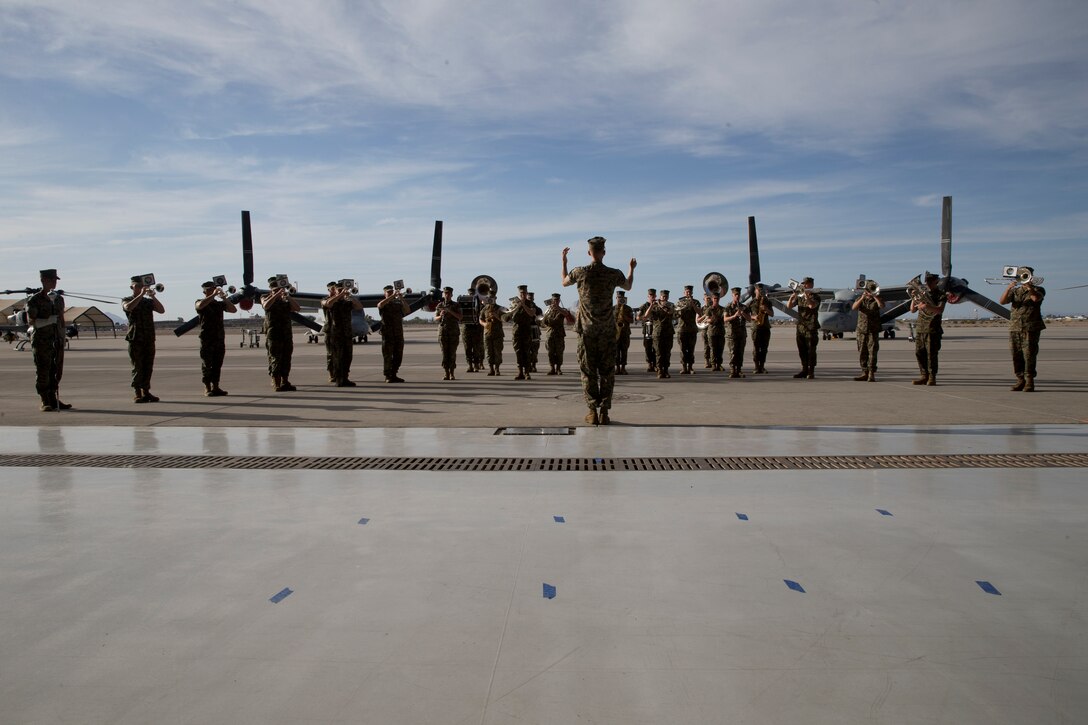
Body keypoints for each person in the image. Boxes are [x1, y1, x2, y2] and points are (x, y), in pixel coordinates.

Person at [562, 236, 636, 425]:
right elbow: (628, 286)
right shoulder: (613, 274)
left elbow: (564, 282)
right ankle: (604, 412)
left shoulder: (580, 272)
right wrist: (631, 269)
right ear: (604, 252)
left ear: (589, 253)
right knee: (607, 372)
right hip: (607, 331)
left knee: (588, 373)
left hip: (586, 331)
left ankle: (592, 411)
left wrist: (564, 262)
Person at [26, 268, 70, 411]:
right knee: (43, 370)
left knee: (56, 370)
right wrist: (48, 320)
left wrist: (63, 335)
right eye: (51, 280)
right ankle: (45, 400)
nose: (54, 283)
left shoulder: (58, 299)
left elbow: (62, 319)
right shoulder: (34, 300)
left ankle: (53, 398)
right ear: (43, 280)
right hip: (42, 340)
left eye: (55, 280)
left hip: (56, 339)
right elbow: (31, 320)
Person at [999, 269, 1045, 391]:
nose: (1023, 277)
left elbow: (1035, 299)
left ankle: (1029, 380)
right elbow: (1002, 301)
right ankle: (1020, 379)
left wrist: (1030, 287)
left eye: (1026, 275)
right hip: (1015, 327)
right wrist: (1009, 288)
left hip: (1030, 327)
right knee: (1016, 355)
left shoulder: (1039, 290)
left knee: (1029, 354)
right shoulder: (1015, 291)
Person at [123, 275, 165, 402]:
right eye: (138, 286)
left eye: (143, 286)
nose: (142, 288)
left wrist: (152, 296)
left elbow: (161, 310)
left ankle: (146, 391)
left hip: (148, 338)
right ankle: (138, 393)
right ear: (132, 287)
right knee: (138, 366)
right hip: (136, 338)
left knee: (148, 366)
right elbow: (128, 308)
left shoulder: (147, 302)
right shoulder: (127, 299)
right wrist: (141, 295)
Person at [195, 280, 237, 396]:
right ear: (205, 291)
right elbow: (200, 306)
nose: (214, 290)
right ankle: (207, 387)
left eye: (214, 288)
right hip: (207, 338)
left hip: (219, 338)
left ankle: (216, 386)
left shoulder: (219, 304)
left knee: (217, 363)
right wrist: (213, 295)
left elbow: (233, 310)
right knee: (207, 364)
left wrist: (224, 298)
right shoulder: (200, 302)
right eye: (211, 289)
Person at [262, 276, 300, 391]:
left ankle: (285, 380)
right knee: (275, 358)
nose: (279, 291)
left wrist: (288, 296)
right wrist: (275, 295)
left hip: (286, 333)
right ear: (271, 289)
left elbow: (297, 308)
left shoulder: (285, 300)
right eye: (275, 289)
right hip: (273, 333)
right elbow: (266, 306)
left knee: (286, 358)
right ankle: (276, 381)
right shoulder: (265, 297)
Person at [322, 280, 363, 386]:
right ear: (334, 290)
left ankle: (345, 377)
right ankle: (338, 378)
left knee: (348, 356)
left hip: (347, 333)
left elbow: (359, 307)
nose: (342, 291)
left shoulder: (347, 302)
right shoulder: (330, 300)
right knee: (337, 357)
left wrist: (350, 296)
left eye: (342, 289)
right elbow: (328, 304)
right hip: (336, 334)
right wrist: (339, 294)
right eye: (339, 289)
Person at [910, 273, 946, 386]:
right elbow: (912, 310)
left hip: (932, 329)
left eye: (930, 282)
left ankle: (932, 377)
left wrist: (926, 306)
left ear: (936, 282)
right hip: (920, 328)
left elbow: (940, 310)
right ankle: (924, 375)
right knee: (919, 353)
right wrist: (914, 297)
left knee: (931, 354)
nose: (928, 284)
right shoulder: (923, 294)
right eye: (927, 282)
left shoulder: (941, 295)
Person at [787, 276, 821, 379]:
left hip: (811, 328)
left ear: (811, 284)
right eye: (803, 284)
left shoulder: (816, 297)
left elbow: (811, 306)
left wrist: (806, 295)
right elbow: (789, 306)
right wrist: (792, 297)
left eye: (806, 284)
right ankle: (804, 369)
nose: (804, 286)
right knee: (802, 350)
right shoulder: (800, 297)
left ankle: (811, 371)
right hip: (801, 327)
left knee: (811, 350)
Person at [377, 284, 411, 383]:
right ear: (385, 293)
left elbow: (407, 310)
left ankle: (394, 374)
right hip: (387, 334)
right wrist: (392, 296)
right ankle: (388, 375)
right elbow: (380, 305)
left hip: (398, 333)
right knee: (388, 355)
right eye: (389, 292)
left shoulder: (398, 303)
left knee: (398, 355)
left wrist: (401, 298)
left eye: (392, 291)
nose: (391, 293)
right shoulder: (384, 304)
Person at [851, 283, 884, 382]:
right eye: (867, 291)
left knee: (872, 352)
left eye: (870, 291)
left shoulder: (877, 299)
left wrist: (875, 297)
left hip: (873, 330)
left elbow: (881, 306)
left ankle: (871, 373)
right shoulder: (861, 299)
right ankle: (864, 372)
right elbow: (854, 307)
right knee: (862, 352)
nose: (868, 292)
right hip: (861, 330)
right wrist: (862, 298)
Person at [503, 285, 536, 380]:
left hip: (526, 331)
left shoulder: (530, 303)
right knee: (518, 352)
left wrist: (523, 305)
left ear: (526, 293)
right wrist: (517, 306)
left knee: (526, 352)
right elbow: (507, 316)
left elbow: (532, 313)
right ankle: (520, 372)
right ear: (519, 294)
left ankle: (527, 372)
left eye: (524, 293)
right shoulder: (514, 304)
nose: (523, 295)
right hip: (516, 331)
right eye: (521, 293)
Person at [541, 293, 575, 375]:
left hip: (559, 334)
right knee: (550, 352)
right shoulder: (548, 310)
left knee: (559, 352)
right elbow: (543, 322)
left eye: (557, 300)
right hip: (550, 334)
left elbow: (566, 314)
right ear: (552, 301)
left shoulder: (562, 309)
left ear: (559, 301)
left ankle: (558, 368)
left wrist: (557, 308)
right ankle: (552, 368)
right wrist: (548, 312)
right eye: (554, 300)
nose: (555, 301)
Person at [434, 286, 463, 380]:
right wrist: (441, 315)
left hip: (453, 332)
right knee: (444, 353)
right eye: (445, 293)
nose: (447, 295)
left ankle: (452, 373)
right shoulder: (440, 305)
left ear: (451, 295)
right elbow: (435, 318)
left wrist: (450, 311)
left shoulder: (456, 305)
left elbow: (460, 317)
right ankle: (446, 372)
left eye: (448, 293)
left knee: (452, 353)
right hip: (443, 332)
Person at [674, 284, 702, 375]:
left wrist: (692, 303)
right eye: (687, 292)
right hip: (682, 329)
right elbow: (676, 315)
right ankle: (684, 367)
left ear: (692, 292)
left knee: (691, 349)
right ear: (684, 292)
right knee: (682, 349)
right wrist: (682, 309)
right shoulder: (680, 302)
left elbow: (699, 312)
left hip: (692, 329)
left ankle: (690, 367)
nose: (688, 293)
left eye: (690, 292)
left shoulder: (696, 302)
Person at [723, 287, 751, 378]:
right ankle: (732, 370)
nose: (737, 296)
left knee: (740, 352)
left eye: (738, 295)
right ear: (732, 295)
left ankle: (739, 370)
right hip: (732, 334)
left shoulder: (744, 307)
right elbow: (725, 319)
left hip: (742, 334)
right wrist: (734, 316)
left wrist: (742, 313)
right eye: (735, 295)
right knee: (733, 352)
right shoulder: (728, 306)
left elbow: (750, 319)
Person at [649, 289, 676, 378]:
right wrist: (652, 305)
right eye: (663, 296)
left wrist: (661, 305)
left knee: (667, 353)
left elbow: (670, 312)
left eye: (666, 296)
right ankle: (660, 370)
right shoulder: (654, 306)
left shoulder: (671, 305)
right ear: (660, 297)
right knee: (659, 353)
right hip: (658, 333)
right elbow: (646, 315)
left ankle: (666, 370)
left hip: (668, 332)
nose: (665, 298)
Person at [697, 293, 726, 371]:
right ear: (713, 299)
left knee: (720, 349)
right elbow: (706, 319)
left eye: (717, 298)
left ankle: (719, 364)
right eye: (715, 299)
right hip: (711, 331)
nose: (716, 300)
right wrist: (711, 320)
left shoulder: (723, 309)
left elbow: (725, 318)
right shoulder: (709, 309)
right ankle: (713, 364)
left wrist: (714, 319)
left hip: (720, 331)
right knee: (712, 348)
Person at [749, 283, 774, 374]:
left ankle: (762, 366)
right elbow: (746, 315)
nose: (760, 292)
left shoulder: (767, 301)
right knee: (756, 348)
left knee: (764, 348)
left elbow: (772, 314)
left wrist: (766, 309)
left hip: (765, 327)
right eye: (758, 290)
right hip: (756, 327)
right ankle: (756, 367)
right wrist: (754, 317)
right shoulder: (751, 302)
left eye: (761, 290)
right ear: (755, 291)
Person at [462, 283, 486, 372]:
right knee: (467, 348)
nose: (471, 296)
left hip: (476, 328)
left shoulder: (480, 304)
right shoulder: (463, 304)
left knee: (476, 347)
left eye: (472, 294)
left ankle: (476, 364)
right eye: (470, 294)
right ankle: (470, 365)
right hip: (466, 328)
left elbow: (484, 313)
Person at [481, 293, 506, 375]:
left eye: (492, 297)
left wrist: (496, 316)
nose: (491, 299)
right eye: (489, 297)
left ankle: (497, 369)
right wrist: (484, 324)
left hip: (497, 333)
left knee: (497, 352)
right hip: (487, 333)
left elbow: (504, 319)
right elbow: (480, 319)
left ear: (495, 298)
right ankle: (491, 369)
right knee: (488, 352)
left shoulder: (500, 308)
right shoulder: (485, 308)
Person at [636, 288, 657, 372]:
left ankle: (655, 364)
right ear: (648, 296)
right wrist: (644, 318)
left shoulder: (658, 305)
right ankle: (649, 364)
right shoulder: (644, 306)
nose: (652, 297)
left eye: (653, 295)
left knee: (656, 347)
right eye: (650, 295)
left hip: (656, 329)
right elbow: (638, 317)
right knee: (648, 348)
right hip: (647, 330)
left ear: (655, 296)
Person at [614, 292, 634, 374]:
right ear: (616, 298)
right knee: (616, 351)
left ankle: (623, 368)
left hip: (625, 332)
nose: (620, 299)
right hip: (615, 333)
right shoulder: (612, 308)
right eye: (619, 297)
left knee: (624, 351)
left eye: (622, 297)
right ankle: (617, 367)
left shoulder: (628, 308)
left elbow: (632, 320)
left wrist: (624, 316)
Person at [527, 291, 542, 373]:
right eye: (529, 298)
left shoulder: (538, 309)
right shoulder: (524, 308)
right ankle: (528, 365)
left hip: (535, 330)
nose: (530, 300)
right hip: (526, 330)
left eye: (531, 298)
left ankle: (534, 365)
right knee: (527, 349)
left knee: (534, 350)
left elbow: (540, 320)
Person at [702, 293, 714, 369]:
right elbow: (698, 318)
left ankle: (714, 362)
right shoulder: (702, 308)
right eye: (707, 298)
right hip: (705, 329)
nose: (708, 300)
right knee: (706, 345)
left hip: (713, 328)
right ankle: (707, 361)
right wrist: (705, 317)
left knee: (713, 345)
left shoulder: (713, 307)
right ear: (704, 299)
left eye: (709, 298)